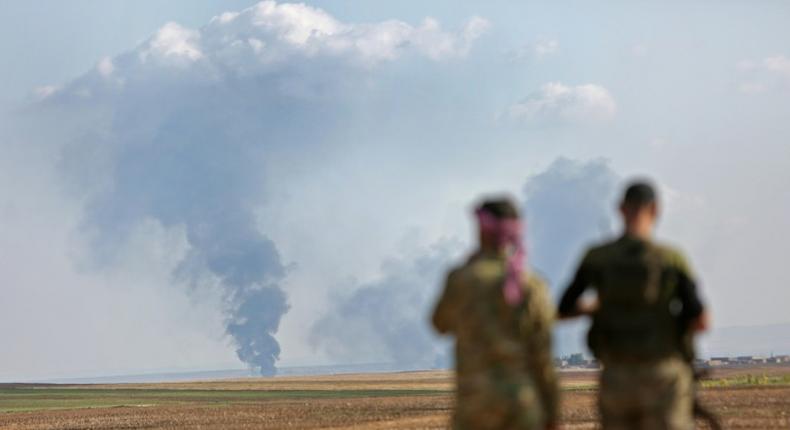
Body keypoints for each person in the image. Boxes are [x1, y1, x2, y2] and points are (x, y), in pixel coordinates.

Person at [558, 181, 710, 430]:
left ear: (620, 209)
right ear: (656, 209)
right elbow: (701, 320)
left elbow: (564, 309)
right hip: (663, 375)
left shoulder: (597, 258)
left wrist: (599, 306)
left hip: (617, 377)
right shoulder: (670, 259)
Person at [432, 198, 558, 430]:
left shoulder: (462, 279)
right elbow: (543, 356)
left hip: (476, 403)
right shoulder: (533, 285)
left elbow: (439, 324)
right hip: (522, 403)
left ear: (481, 230)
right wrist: (552, 413)